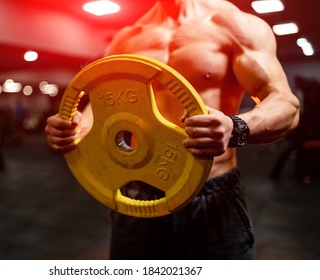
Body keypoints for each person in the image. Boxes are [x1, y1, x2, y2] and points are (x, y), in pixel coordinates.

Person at [45, 0, 299, 259]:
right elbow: (103, 106)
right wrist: (74, 127)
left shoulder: (235, 24)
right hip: (139, 190)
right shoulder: (126, 38)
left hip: (211, 191)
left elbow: (286, 105)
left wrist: (236, 128)